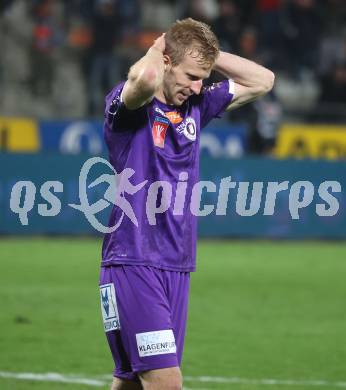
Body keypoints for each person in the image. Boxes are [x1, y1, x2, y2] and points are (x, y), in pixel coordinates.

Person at [99, 18, 274, 390]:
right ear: (165, 62)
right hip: (134, 262)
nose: (198, 85)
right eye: (191, 75)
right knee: (166, 383)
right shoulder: (130, 108)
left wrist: (209, 57)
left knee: (130, 383)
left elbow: (263, 81)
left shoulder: (196, 104)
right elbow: (144, 81)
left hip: (177, 265)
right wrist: (156, 49)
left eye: (203, 77)